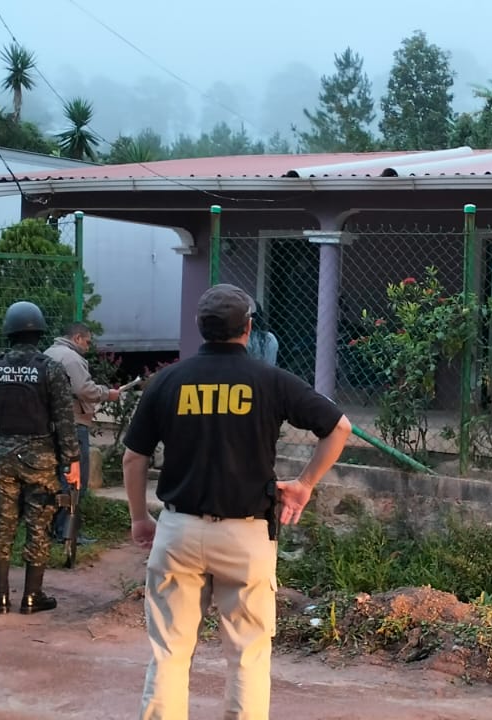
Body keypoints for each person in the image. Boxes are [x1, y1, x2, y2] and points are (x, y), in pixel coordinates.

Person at [123, 283, 352, 719]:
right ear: (248, 328)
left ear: (199, 326)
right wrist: (305, 483)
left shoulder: (167, 381)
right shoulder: (270, 380)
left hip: (179, 530)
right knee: (247, 655)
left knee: (170, 651)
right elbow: (338, 427)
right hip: (246, 536)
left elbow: (134, 457)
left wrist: (140, 518)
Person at [0, 301, 80, 614]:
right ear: (39, 333)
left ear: (9, 332)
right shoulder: (50, 369)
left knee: (2, 524)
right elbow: (64, 419)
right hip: (40, 457)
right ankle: (32, 597)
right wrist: (72, 460)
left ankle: (0, 598)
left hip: (4, 455)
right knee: (38, 524)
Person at [43, 321, 122, 544]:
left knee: (56, 478)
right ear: (77, 338)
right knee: (76, 479)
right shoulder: (71, 358)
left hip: (50, 425)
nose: (88, 347)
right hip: (74, 424)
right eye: (87, 342)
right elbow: (83, 389)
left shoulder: (47, 354)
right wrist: (107, 394)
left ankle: (52, 529)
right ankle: (68, 532)